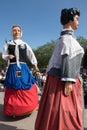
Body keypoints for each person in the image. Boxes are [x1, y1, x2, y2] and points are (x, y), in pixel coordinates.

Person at [35, 8, 84, 130]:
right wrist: (69, 80)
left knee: (55, 109)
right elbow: (68, 57)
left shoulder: (63, 39)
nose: (78, 22)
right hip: (61, 81)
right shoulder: (68, 39)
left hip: (56, 79)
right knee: (64, 111)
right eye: (77, 19)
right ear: (70, 20)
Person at [2, 25, 39, 116]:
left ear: (21, 32)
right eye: (14, 30)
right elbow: (3, 55)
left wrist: (35, 66)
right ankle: (14, 110)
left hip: (23, 67)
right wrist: (7, 57)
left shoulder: (25, 44)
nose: (16, 32)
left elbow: (31, 55)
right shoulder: (8, 44)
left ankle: (28, 108)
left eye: (18, 30)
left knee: (25, 83)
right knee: (14, 84)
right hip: (13, 67)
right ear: (12, 32)